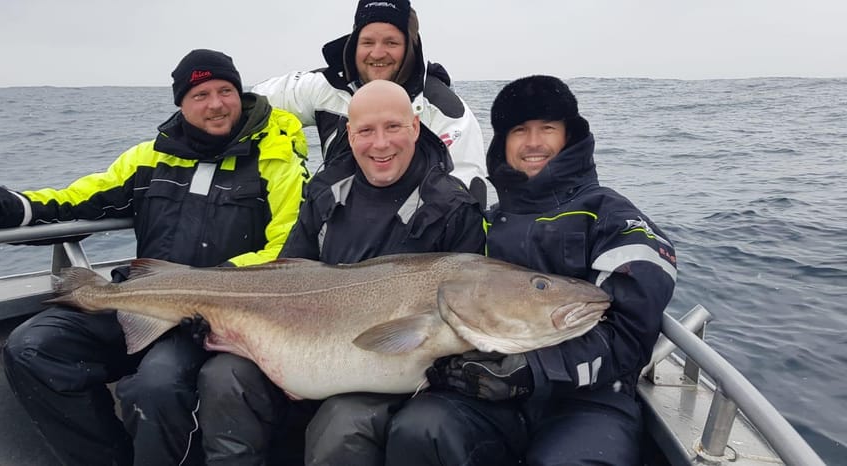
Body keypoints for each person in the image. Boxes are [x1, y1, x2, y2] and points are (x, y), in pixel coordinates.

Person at [0, 49, 309, 466]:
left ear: (240, 93)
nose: (216, 104)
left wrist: (204, 289)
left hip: (217, 318)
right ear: (181, 103)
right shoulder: (148, 158)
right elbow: (73, 201)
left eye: (225, 90)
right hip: (140, 298)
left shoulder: (277, 158)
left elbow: (287, 247)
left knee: (157, 387)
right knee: (33, 347)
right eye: (200, 94)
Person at [385, 75, 679, 465]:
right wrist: (453, 372)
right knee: (420, 429)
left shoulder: (610, 215)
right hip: (487, 401)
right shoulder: (479, 223)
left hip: (587, 402)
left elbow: (631, 329)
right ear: (502, 142)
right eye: (519, 130)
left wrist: (532, 371)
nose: (533, 142)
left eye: (547, 129)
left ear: (568, 136)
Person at [196, 79, 486, 466]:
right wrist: (225, 320)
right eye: (366, 131)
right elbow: (285, 274)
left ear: (415, 127)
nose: (380, 144)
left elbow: (466, 312)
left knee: (342, 423)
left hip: (390, 374)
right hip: (304, 346)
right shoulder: (325, 191)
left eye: (393, 127)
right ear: (349, 135)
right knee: (224, 376)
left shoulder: (453, 208)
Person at [252, 0, 488, 191]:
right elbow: (247, 104)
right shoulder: (325, 87)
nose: (377, 53)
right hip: (330, 222)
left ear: (410, 47)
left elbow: (466, 193)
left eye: (391, 42)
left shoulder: (444, 110)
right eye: (367, 41)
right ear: (354, 43)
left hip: (412, 235)